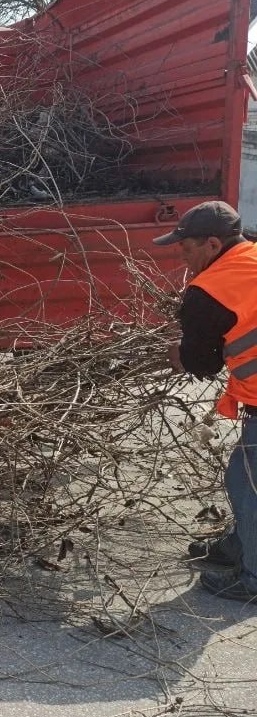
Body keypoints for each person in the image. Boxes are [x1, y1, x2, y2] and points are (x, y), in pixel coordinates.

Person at [154, 199, 257, 602]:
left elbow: (204, 365)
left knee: (247, 485)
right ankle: (239, 546)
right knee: (244, 477)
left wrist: (180, 353)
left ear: (213, 244)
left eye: (186, 248)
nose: (182, 256)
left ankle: (254, 578)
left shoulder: (208, 292)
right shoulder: (251, 253)